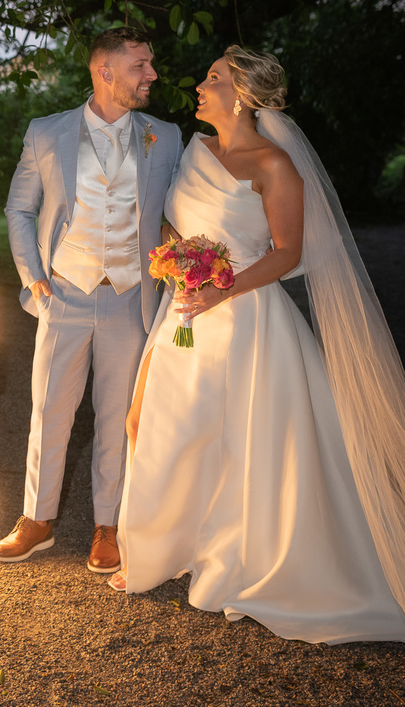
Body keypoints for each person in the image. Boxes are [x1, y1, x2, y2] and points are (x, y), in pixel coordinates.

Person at [113, 46, 405, 644]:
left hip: (244, 318)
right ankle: (173, 545)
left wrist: (221, 288)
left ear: (242, 95)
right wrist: (176, 256)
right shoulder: (197, 152)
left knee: (238, 442)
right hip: (186, 309)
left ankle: (236, 558)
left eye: (214, 78)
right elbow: (177, 222)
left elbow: (288, 252)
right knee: (145, 422)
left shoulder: (274, 166)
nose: (200, 84)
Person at [0, 27, 183, 572]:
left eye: (150, 65)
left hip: (132, 296)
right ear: (104, 71)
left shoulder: (165, 136)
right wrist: (34, 277)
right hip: (65, 292)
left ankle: (110, 525)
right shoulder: (46, 132)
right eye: (140, 66)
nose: (151, 75)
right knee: (49, 409)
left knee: (119, 414)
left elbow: (177, 211)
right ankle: (36, 518)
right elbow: (19, 210)